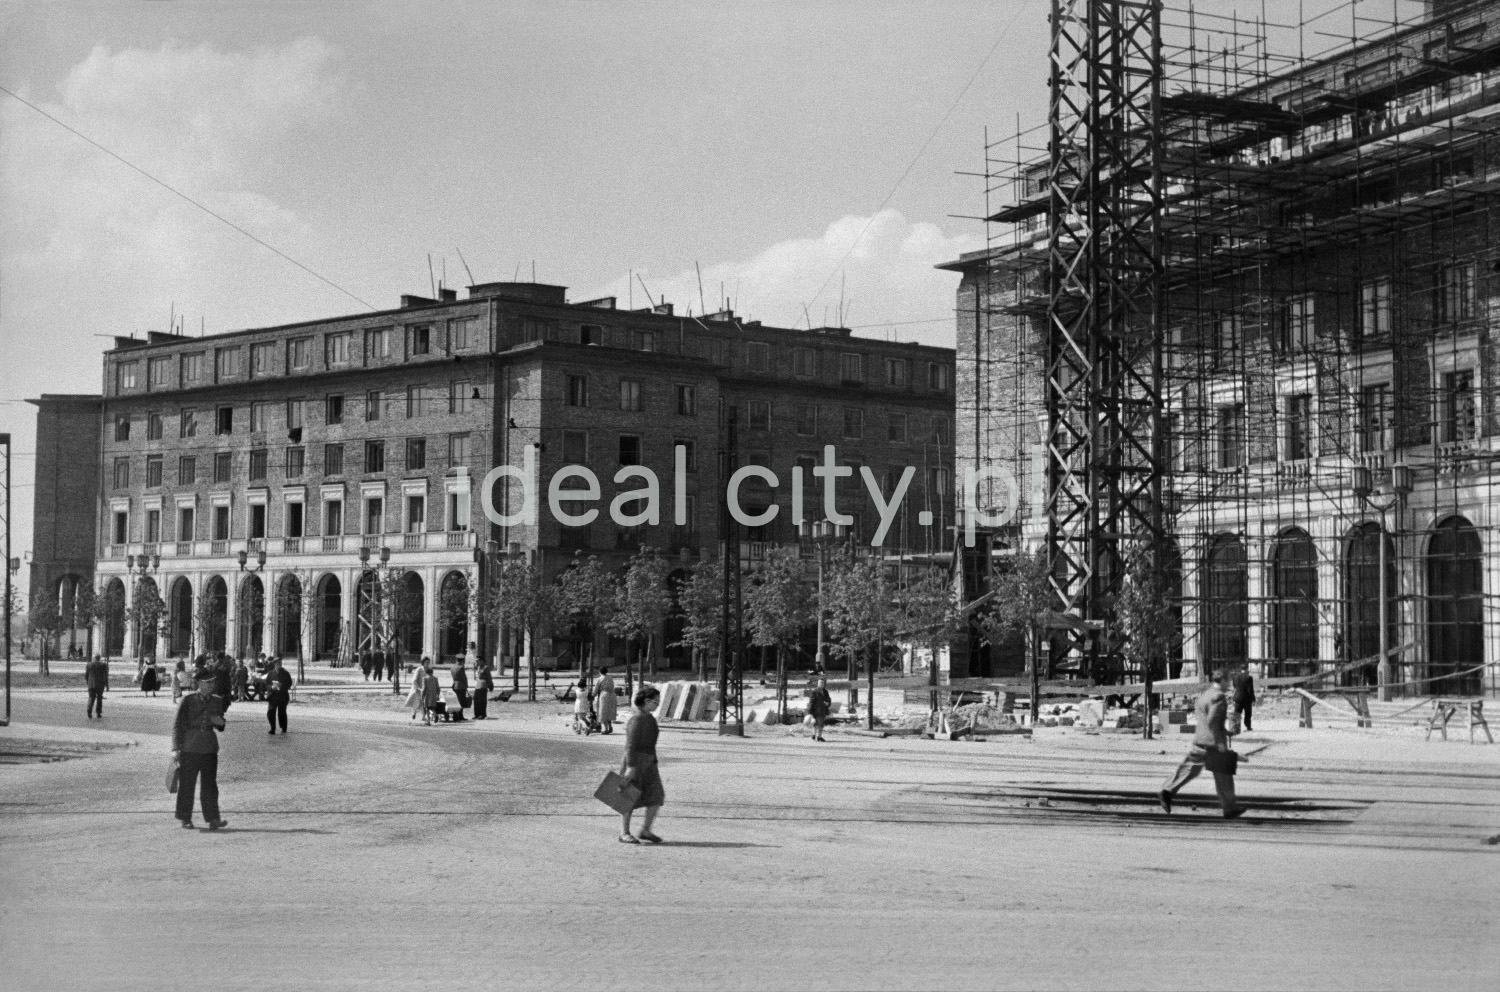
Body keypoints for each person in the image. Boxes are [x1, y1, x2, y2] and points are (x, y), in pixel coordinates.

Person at [1159, 670, 1245, 819]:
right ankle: (1230, 808)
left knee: (1189, 769)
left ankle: (1167, 791)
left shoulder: (1205, 695)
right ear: (1223, 681)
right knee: (1224, 775)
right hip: (1212, 743)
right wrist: (1220, 742)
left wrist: (1224, 731)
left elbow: (1207, 719)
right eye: (1228, 681)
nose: (1230, 684)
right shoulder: (1219, 698)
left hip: (1200, 739)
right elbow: (1212, 720)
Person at [172, 672, 228, 830]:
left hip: (209, 748)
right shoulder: (188, 700)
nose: (211, 685)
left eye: (213, 682)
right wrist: (175, 748)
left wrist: (220, 723)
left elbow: (221, 725)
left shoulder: (217, 701)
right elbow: (177, 725)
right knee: (187, 784)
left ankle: (213, 819)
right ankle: (185, 817)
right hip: (190, 747)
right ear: (199, 683)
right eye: (208, 682)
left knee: (210, 785)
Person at [619, 685, 665, 844]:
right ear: (646, 701)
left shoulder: (649, 718)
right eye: (655, 701)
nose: (658, 704)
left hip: (649, 762)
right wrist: (631, 766)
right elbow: (630, 744)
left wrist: (653, 761)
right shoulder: (637, 719)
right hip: (635, 761)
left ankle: (646, 830)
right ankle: (624, 832)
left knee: (656, 796)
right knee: (628, 796)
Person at [265, 657, 294, 735]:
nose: (279, 665)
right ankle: (272, 728)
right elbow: (267, 683)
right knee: (270, 712)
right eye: (278, 664)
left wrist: (281, 686)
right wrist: (271, 687)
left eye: (280, 664)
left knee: (282, 713)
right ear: (274, 664)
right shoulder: (270, 673)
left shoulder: (285, 673)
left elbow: (289, 683)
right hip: (273, 695)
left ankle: (283, 728)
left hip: (282, 695)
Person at [591, 667, 618, 735]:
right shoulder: (610, 678)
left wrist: (592, 696)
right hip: (612, 695)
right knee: (609, 711)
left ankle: (605, 729)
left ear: (600, 672)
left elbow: (596, 689)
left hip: (604, 695)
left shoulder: (600, 679)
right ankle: (610, 726)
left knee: (602, 712)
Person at [807, 677, 832, 742]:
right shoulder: (814, 692)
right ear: (817, 683)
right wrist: (810, 711)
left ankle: (815, 735)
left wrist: (828, 703)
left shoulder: (825, 692)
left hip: (823, 710)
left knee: (820, 724)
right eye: (820, 682)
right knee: (818, 723)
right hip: (816, 710)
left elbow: (828, 700)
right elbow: (811, 702)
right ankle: (818, 736)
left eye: (822, 683)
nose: (821, 684)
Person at [1231, 667, 1256, 732]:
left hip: (1238, 697)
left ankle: (1235, 727)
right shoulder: (1249, 677)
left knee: (1237, 713)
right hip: (1247, 698)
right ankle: (1248, 726)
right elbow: (1250, 690)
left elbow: (1235, 686)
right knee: (1248, 713)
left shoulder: (1235, 677)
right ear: (1246, 669)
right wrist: (1253, 699)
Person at [85, 654, 109, 719]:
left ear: (94, 658)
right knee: (99, 698)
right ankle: (98, 712)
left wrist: (88, 682)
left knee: (91, 697)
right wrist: (107, 685)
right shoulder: (103, 665)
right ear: (99, 658)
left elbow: (86, 675)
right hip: (100, 684)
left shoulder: (89, 665)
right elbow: (105, 676)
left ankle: (89, 710)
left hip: (91, 684)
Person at [419, 657, 440, 724]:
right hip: (434, 695)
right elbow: (438, 687)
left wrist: (422, 696)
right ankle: (436, 714)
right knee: (432, 707)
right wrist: (438, 695)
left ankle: (428, 721)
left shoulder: (425, 678)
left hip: (427, 696)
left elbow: (424, 688)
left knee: (427, 708)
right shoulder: (435, 678)